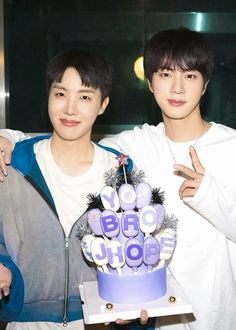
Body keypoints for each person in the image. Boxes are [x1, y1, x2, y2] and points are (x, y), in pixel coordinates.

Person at [1, 27, 236, 330]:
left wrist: (207, 194)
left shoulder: (230, 145)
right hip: (158, 318)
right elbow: (70, 135)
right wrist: (7, 137)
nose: (177, 88)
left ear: (205, 85)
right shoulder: (132, 146)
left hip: (218, 316)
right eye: (165, 74)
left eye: (190, 76)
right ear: (150, 83)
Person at [0, 49, 149, 330]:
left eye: (84, 97)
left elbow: (137, 253)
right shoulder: (14, 163)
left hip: (96, 321)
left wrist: (133, 304)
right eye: (60, 94)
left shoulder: (121, 176)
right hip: (28, 322)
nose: (70, 108)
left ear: (102, 104)